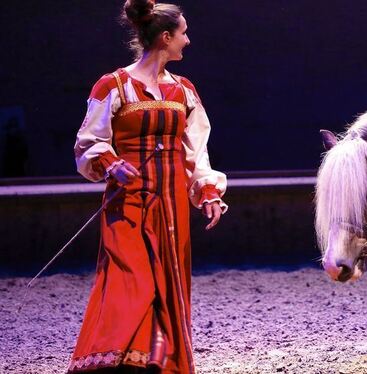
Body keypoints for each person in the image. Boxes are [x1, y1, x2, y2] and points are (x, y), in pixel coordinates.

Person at [70, 1, 227, 372]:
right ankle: (114, 363)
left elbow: (196, 149)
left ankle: (155, 362)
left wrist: (207, 190)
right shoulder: (114, 85)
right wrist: (111, 163)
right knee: (132, 280)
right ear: (166, 37)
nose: (187, 41)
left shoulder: (183, 91)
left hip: (171, 203)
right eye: (183, 33)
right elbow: (89, 141)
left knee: (166, 284)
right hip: (128, 202)